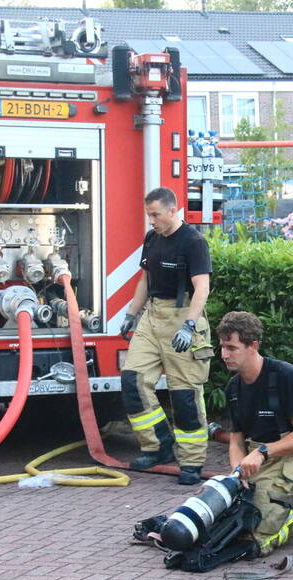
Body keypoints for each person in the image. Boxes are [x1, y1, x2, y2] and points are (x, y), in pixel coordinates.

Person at [120, 187, 213, 486]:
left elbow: (202, 288)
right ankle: (158, 446)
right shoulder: (153, 239)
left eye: (156, 215)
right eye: (149, 215)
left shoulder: (194, 242)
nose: (151, 221)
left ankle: (192, 461)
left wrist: (188, 326)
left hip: (182, 315)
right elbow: (145, 279)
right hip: (152, 317)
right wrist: (131, 314)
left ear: (173, 210)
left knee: (184, 395)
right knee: (132, 380)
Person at [218, 311, 293, 556]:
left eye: (232, 348)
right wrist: (237, 473)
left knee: (254, 541)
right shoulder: (233, 388)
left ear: (253, 346)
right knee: (226, 523)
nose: (224, 355)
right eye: (223, 347)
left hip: (288, 458)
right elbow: (236, 440)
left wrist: (262, 452)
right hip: (254, 462)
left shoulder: (285, 376)